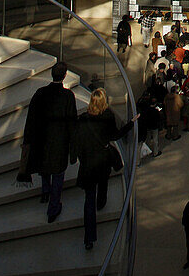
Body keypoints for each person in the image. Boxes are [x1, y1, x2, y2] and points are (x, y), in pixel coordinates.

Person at [71, 88, 137, 251]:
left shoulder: (82, 120)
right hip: (102, 160)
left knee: (88, 199)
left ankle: (89, 238)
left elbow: (77, 142)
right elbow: (115, 136)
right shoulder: (107, 117)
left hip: (88, 163)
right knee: (103, 184)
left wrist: (78, 158)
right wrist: (131, 123)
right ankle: (101, 203)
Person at [21, 61, 77, 223]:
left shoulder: (40, 93)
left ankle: (45, 191)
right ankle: (53, 207)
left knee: (44, 167)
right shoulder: (68, 96)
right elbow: (72, 123)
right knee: (58, 174)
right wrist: (73, 147)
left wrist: (28, 140)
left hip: (42, 139)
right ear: (64, 76)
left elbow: (31, 119)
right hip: (59, 142)